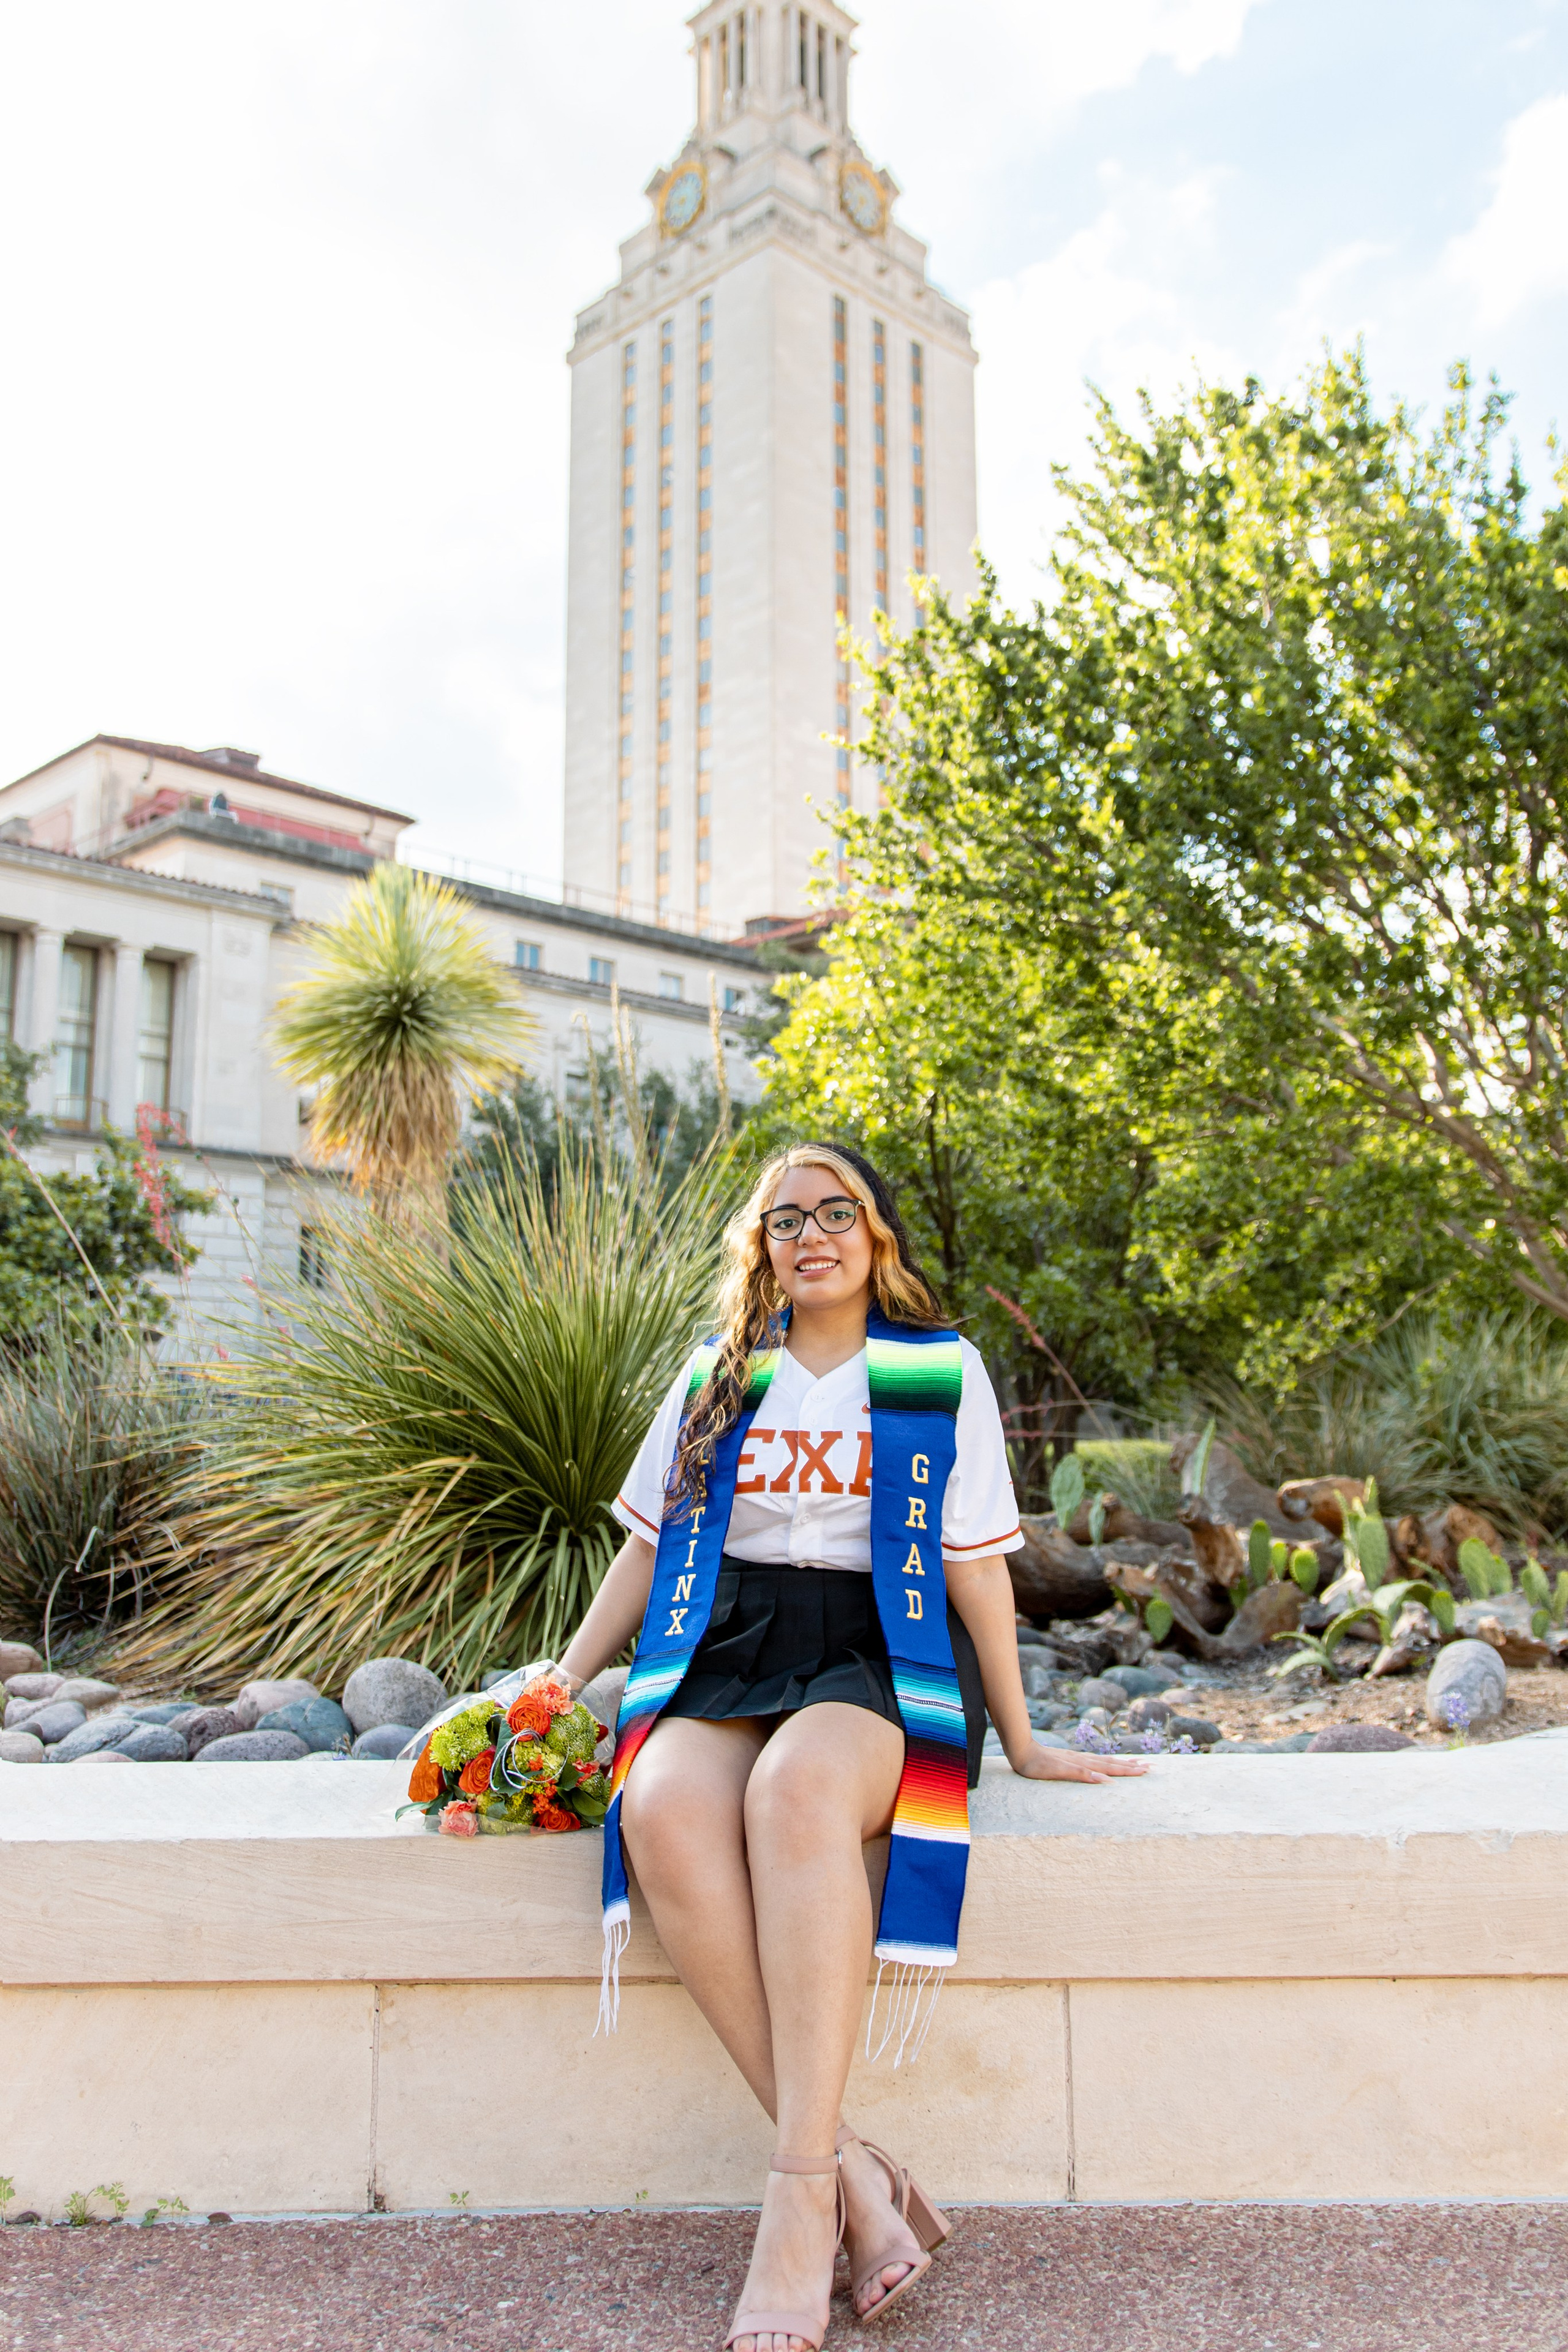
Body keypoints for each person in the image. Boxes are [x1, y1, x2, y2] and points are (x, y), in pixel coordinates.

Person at [552, 1143, 1147, 2352]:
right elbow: (643, 1544)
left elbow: (976, 1563)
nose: (809, 1235)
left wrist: (1020, 1738)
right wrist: (561, 1679)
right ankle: (851, 2176)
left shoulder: (937, 1371)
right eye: (784, 1220)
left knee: (795, 1793)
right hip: (730, 1639)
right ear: (758, 1246)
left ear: (877, 1237)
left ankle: (789, 2209)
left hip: (885, 1651)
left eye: (836, 1213)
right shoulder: (719, 1375)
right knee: (661, 1810)